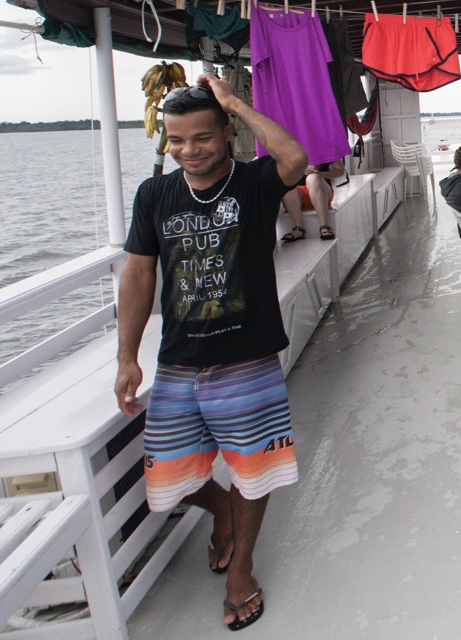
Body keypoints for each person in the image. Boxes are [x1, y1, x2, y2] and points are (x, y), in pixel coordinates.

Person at [114, 74, 308, 631]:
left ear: (226, 134)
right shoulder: (155, 195)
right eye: (176, 141)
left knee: (256, 471)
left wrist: (233, 101)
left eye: (201, 137)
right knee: (170, 477)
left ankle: (241, 569)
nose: (188, 151)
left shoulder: (252, 183)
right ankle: (221, 511)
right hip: (179, 359)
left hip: (247, 357)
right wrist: (127, 356)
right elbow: (139, 272)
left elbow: (295, 156)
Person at [280, 161, 345, 242]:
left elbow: (340, 170)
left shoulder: (325, 148)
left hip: (321, 189)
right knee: (287, 184)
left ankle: (324, 226)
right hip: (298, 193)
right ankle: (299, 228)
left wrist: (320, 174)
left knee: (313, 178)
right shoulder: (289, 149)